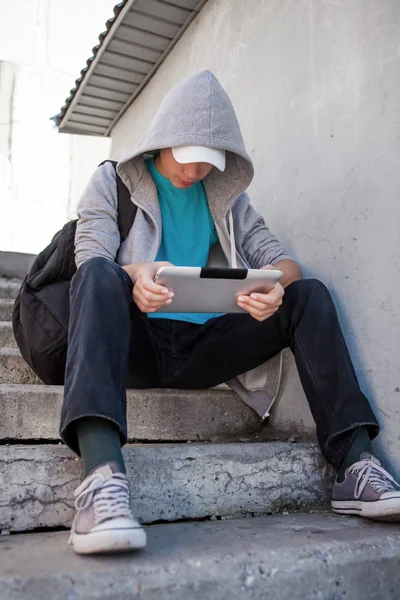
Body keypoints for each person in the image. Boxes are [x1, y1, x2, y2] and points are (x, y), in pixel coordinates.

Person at [62, 70, 399, 555]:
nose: (197, 172)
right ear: (165, 139)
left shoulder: (226, 197)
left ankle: (355, 462)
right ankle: (101, 478)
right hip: (133, 342)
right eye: (190, 158)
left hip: (204, 349)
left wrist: (274, 288)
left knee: (310, 293)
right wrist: (136, 275)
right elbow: (90, 255)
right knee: (98, 274)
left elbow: (283, 261)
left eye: (209, 162)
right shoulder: (113, 181)